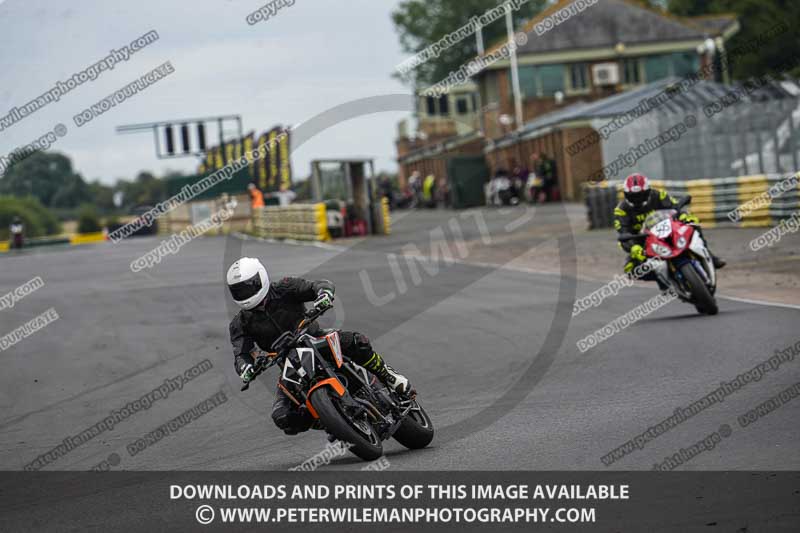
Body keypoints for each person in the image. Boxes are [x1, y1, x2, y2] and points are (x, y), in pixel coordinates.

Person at [226, 257, 412, 435]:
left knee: (358, 342)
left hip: (314, 338)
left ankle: (389, 376)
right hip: (288, 365)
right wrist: (246, 368)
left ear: (261, 278)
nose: (244, 294)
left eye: (247, 287)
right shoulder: (239, 323)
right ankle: (334, 422)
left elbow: (317, 285)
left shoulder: (284, 286)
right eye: (238, 291)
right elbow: (240, 354)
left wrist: (324, 295)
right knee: (282, 417)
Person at [614, 173, 725, 289]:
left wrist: (684, 217)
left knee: (693, 224)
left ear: (648, 192)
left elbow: (675, 207)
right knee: (630, 269)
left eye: (640, 195)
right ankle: (662, 279)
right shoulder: (621, 210)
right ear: (626, 195)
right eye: (633, 196)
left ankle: (709, 256)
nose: (637, 199)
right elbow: (623, 232)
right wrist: (633, 247)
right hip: (643, 240)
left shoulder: (659, 195)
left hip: (668, 229)